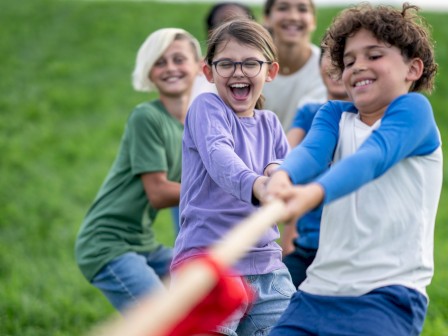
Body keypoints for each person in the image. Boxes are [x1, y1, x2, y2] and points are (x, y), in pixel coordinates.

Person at [266, 3, 441, 335]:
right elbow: (310, 153)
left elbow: (373, 157)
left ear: (413, 69)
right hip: (315, 293)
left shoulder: (413, 111)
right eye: (348, 61)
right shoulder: (333, 114)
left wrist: (313, 194)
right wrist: (282, 177)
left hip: (385, 296)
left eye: (374, 56)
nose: (358, 66)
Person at [171, 19, 296, 335]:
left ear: (270, 71)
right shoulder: (206, 108)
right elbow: (219, 156)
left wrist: (275, 176)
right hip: (209, 266)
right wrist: (258, 186)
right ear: (209, 72)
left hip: (268, 268)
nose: (238, 72)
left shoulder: (270, 123)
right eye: (226, 64)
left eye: (251, 63)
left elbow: (279, 165)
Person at [74, 28, 203, 312]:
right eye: (160, 61)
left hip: (144, 243)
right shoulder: (147, 117)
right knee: (163, 319)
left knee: (202, 295)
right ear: (149, 72)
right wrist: (222, 193)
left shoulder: (193, 127)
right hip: (107, 243)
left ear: (199, 66)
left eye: (178, 59)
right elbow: (158, 192)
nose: (170, 67)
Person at [281, 44, 349, 287]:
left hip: (348, 249)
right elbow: (290, 153)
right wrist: (278, 172)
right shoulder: (310, 111)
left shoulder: (372, 120)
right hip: (307, 242)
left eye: (344, 58)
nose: (335, 65)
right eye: (329, 57)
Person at [262, 0, 327, 130]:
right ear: (267, 19)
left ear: (313, 21)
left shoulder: (327, 68)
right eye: (282, 8)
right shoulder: (250, 65)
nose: (293, 17)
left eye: (302, 9)